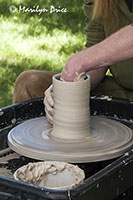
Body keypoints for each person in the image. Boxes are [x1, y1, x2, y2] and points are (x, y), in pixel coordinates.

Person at [13, 0, 133, 123]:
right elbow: (97, 61)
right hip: (124, 90)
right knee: (29, 83)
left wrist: (81, 61)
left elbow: (92, 57)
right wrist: (67, 87)